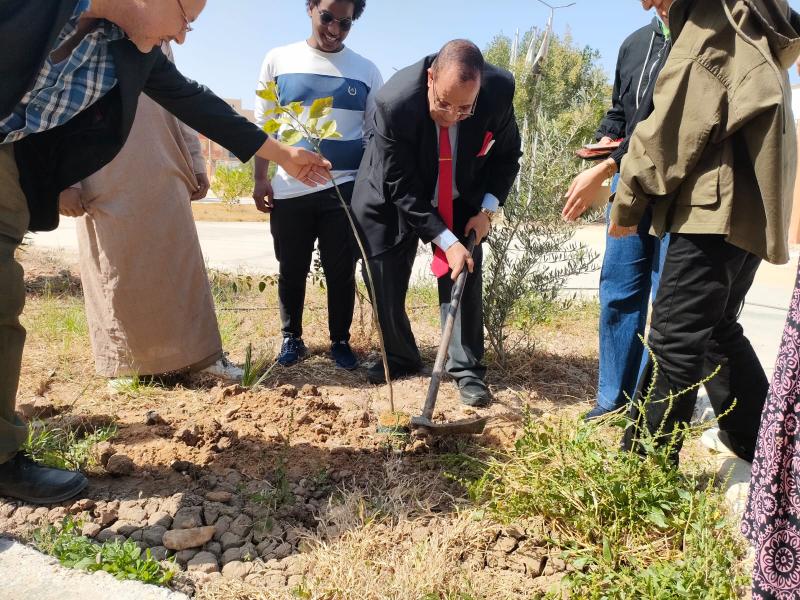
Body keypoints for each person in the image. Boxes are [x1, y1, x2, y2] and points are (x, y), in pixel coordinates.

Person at [0, 0, 330, 505]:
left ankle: (1, 458)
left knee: (1, 298)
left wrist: (284, 154)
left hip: (6, 155)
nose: (183, 36)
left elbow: (198, 104)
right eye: (185, 18)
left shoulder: (133, 53)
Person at [612, 0, 800, 465]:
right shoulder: (750, 22)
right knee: (716, 330)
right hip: (749, 206)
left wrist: (627, 202)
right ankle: (764, 449)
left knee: (673, 341)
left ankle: (641, 476)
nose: (645, 3)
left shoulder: (710, 24)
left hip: (714, 211)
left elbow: (670, 131)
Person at [350, 39, 521, 407]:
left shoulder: (499, 92)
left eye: (464, 108)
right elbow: (402, 187)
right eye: (443, 103)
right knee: (384, 277)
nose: (450, 115)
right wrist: (445, 239)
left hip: (461, 194)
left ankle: (466, 369)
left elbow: (507, 156)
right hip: (391, 195)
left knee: (464, 271)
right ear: (430, 77)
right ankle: (400, 356)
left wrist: (485, 212)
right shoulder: (393, 102)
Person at [60, 45, 243, 388]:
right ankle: (125, 366)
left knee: (178, 259)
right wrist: (64, 179)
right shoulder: (82, 23)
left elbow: (178, 93)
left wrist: (195, 158)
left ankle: (201, 358)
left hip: (164, 160)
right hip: (100, 167)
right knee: (117, 266)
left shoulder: (159, 31)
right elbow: (61, 103)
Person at [253, 0, 383, 370]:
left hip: (344, 191)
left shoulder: (367, 71)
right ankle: (292, 338)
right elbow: (265, 128)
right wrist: (261, 178)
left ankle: (340, 341)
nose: (334, 30)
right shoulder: (278, 60)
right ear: (310, 7)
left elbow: (375, 135)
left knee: (340, 270)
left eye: (345, 23)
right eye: (327, 17)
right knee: (290, 267)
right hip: (290, 192)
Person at [562, 0, 673, 420]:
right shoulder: (634, 45)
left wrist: (607, 167)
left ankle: (648, 408)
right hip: (629, 192)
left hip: (676, 197)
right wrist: (597, 153)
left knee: (667, 301)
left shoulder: (698, 41)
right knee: (619, 293)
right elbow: (621, 117)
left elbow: (664, 127)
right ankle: (612, 400)